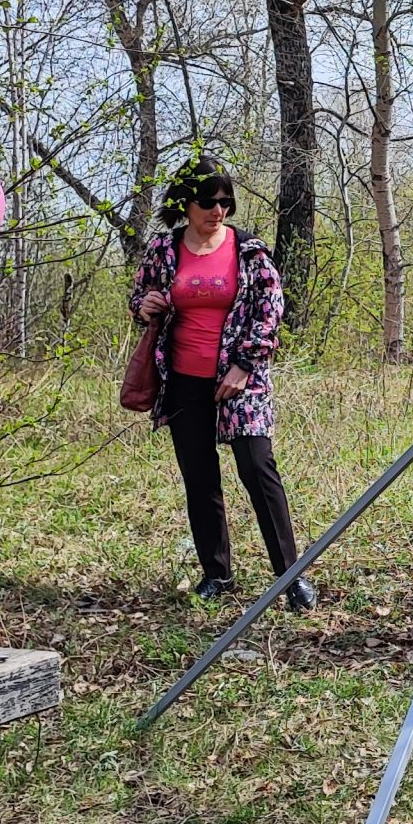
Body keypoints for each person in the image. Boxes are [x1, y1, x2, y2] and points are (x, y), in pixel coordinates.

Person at [127, 157, 317, 612]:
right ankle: (217, 574)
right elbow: (138, 298)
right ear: (185, 204)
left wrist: (244, 366)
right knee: (200, 477)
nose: (218, 210)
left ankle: (291, 577)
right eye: (208, 201)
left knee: (258, 470)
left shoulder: (249, 250)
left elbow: (270, 311)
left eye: (226, 201)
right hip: (182, 379)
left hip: (241, 380)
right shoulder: (163, 249)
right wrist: (145, 305)